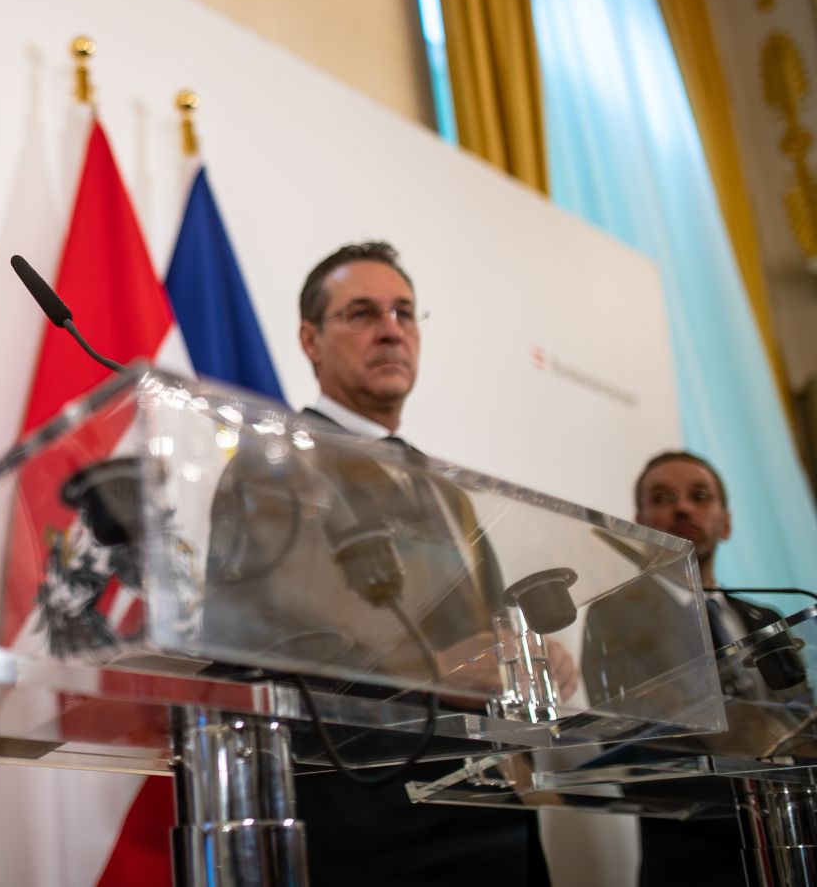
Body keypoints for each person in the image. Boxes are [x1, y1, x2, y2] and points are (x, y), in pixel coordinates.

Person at [284, 241, 555, 887]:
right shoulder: (280, 462)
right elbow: (269, 636)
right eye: (362, 313)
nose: (391, 330)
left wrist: (525, 654)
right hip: (372, 819)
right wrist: (430, 669)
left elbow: (484, 629)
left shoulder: (446, 487)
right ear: (311, 339)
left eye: (404, 313)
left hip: (489, 805)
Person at [585, 451, 787, 887]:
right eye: (662, 498)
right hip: (693, 863)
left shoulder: (768, 619)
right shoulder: (615, 618)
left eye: (700, 496)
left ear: (726, 523)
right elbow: (633, 753)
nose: (682, 508)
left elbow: (801, 725)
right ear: (639, 524)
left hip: (796, 844)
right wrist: (757, 804)